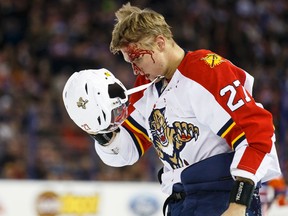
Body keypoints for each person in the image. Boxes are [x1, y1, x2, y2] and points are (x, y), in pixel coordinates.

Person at [62, 3, 282, 216]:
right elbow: (126, 152)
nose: (135, 68)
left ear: (160, 43)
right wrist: (100, 129)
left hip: (219, 198)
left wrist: (238, 204)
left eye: (137, 57)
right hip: (181, 201)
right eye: (130, 62)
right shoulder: (147, 87)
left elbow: (258, 133)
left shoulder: (206, 70)